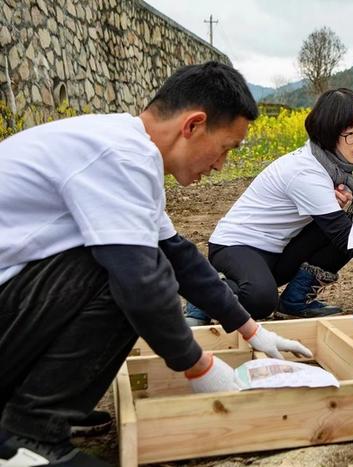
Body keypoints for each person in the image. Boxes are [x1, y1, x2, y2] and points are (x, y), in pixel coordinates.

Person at [0, 62, 312, 466]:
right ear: (193, 125)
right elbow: (143, 282)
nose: (221, 165)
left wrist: (251, 330)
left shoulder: (125, 148)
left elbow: (181, 256)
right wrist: (199, 367)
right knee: (126, 272)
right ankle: (30, 436)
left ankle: (33, 415)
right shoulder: (120, 157)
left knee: (143, 259)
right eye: (226, 149)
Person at [183, 87, 353, 325]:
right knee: (260, 301)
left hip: (277, 250)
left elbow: (351, 229)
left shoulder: (334, 167)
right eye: (352, 134)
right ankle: (202, 298)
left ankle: (296, 299)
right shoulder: (306, 172)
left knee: (352, 225)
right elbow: (349, 241)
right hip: (238, 246)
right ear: (328, 133)